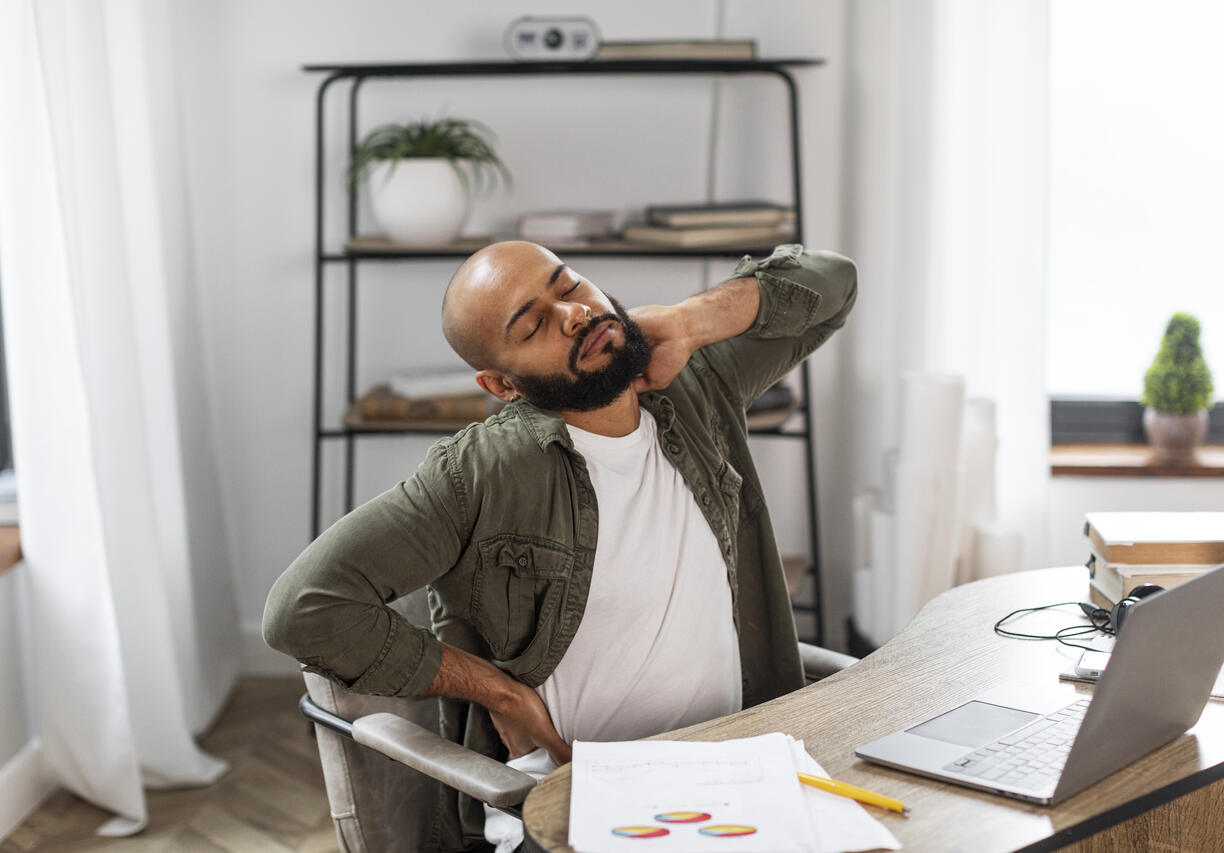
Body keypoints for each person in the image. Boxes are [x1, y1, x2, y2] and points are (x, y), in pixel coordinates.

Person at [263, 240, 857, 853]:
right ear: (502, 383)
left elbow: (833, 283)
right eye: (533, 325)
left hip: (738, 773)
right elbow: (304, 607)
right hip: (574, 802)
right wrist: (496, 691)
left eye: (569, 286)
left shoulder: (695, 385)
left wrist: (686, 321)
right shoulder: (480, 474)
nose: (573, 315)